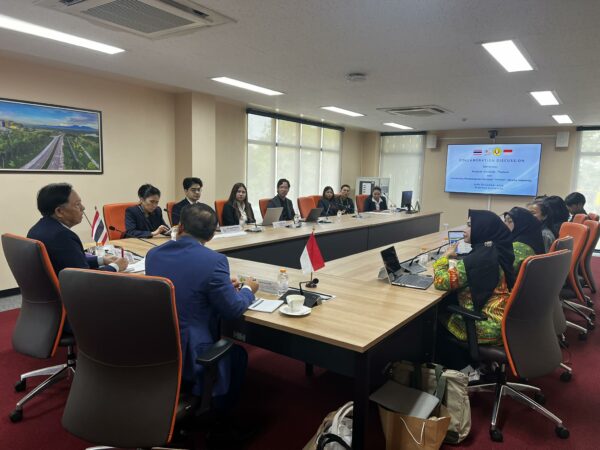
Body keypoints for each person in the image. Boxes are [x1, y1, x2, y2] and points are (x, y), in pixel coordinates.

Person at [145, 203, 259, 411]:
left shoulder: (153, 255)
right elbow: (233, 309)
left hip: (157, 343)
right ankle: (220, 413)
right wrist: (248, 289)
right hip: (191, 351)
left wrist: (222, 286)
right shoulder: (215, 261)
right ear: (212, 235)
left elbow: (184, 285)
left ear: (180, 227)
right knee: (238, 355)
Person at [434, 210, 515, 345]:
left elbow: (441, 281)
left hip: (484, 326)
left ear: (483, 228)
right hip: (501, 321)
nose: (464, 230)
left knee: (432, 316)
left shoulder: (479, 260)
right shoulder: (496, 250)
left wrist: (444, 258)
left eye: (470, 225)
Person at [27, 183, 127, 275]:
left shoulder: (37, 229)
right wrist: (115, 266)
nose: (83, 208)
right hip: (70, 288)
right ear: (59, 211)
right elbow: (85, 279)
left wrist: (101, 260)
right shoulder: (62, 236)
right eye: (77, 204)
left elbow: (71, 262)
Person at [503, 206, 543, 274]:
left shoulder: (519, 246)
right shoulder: (532, 239)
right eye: (505, 221)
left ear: (521, 224)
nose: (504, 225)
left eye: (510, 221)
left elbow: (502, 272)